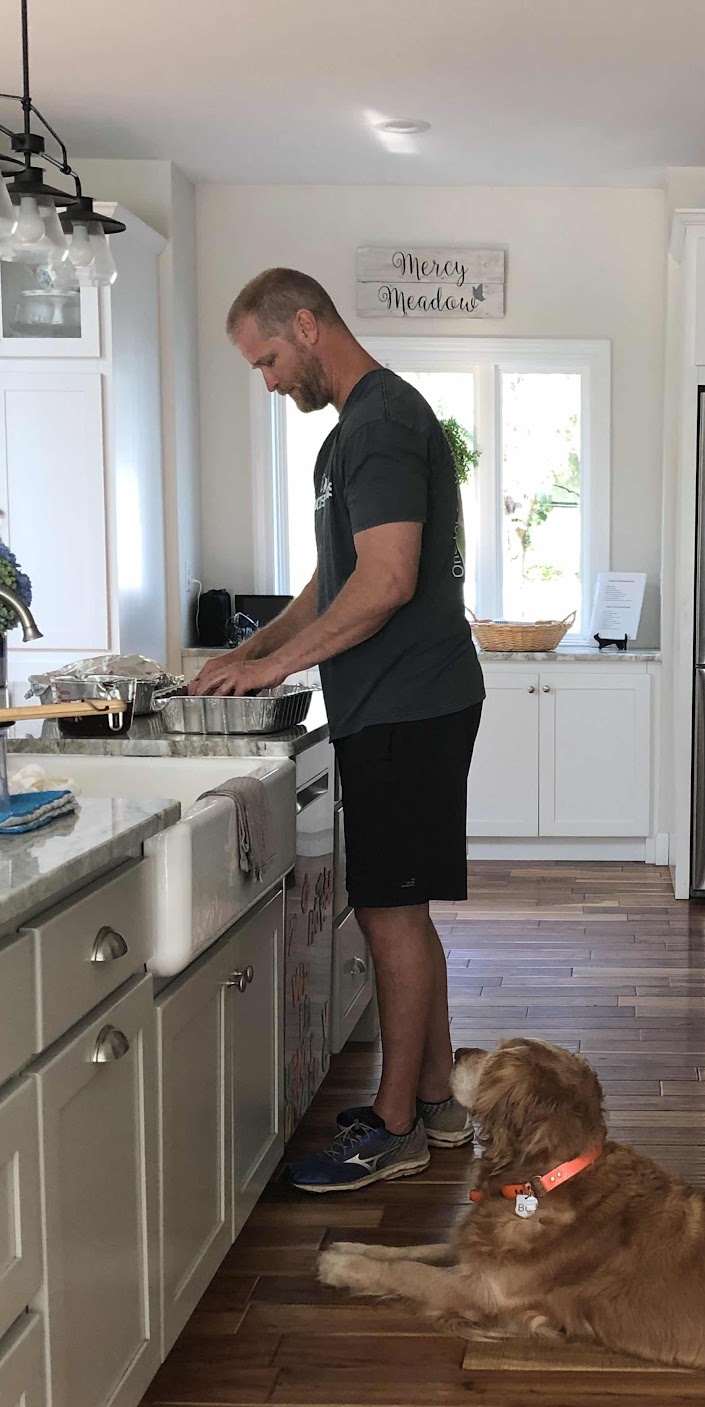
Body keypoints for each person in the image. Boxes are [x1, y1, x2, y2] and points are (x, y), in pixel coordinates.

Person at [192, 267, 484, 1193]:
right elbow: (336, 579)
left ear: (308, 326)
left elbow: (388, 580)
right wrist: (253, 649)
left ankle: (393, 1128)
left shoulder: (383, 422)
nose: (269, 381)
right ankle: (436, 1102)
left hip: (410, 702)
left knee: (391, 914)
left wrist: (275, 669)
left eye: (268, 359)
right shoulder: (346, 438)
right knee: (403, 911)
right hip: (391, 703)